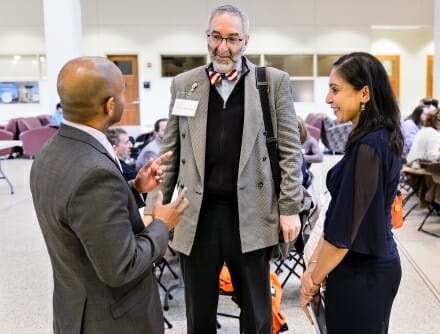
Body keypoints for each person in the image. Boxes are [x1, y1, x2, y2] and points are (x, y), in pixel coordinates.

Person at [143, 5, 304, 333]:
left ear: (246, 41)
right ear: (207, 36)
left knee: (256, 310)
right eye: (216, 37)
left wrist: (290, 209)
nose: (223, 47)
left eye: (232, 39)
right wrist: (152, 208)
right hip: (197, 213)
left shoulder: (271, 83)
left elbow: (290, 153)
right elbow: (170, 154)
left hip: (252, 211)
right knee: (198, 311)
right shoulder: (184, 84)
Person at [29, 56, 189, 334]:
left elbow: (80, 211)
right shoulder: (94, 172)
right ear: (110, 105)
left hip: (75, 305)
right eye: (123, 92)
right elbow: (122, 266)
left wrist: (133, 189)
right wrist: (164, 223)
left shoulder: (50, 151)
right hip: (112, 320)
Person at [300, 52, 403, 334]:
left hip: (364, 272)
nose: (328, 99)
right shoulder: (370, 140)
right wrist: (314, 269)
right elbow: (337, 217)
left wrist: (311, 280)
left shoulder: (371, 146)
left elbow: (343, 234)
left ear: (364, 93)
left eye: (335, 89)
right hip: (360, 268)